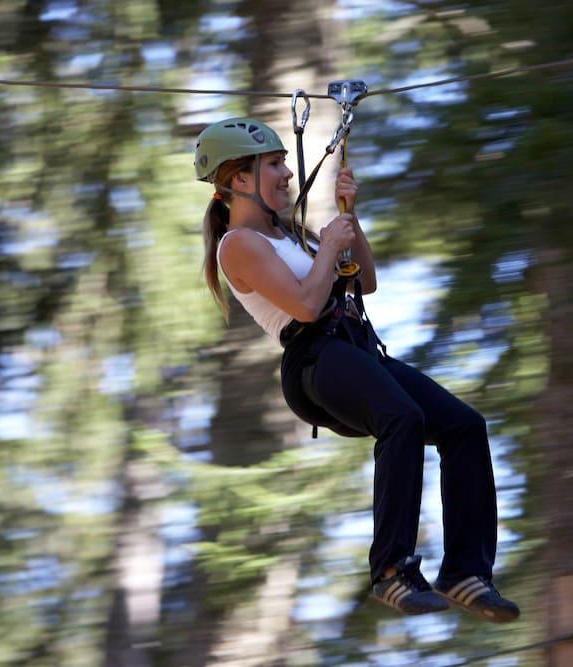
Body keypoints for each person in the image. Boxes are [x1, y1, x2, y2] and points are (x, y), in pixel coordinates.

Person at [196, 117, 519, 622]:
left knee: (464, 426)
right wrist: (326, 247)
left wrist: (351, 218)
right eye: (274, 165)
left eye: (284, 163)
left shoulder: (289, 237)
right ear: (239, 180)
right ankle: (391, 571)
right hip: (315, 360)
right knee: (402, 418)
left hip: (355, 350)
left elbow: (364, 282)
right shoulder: (238, 244)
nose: (286, 174)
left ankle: (464, 570)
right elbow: (305, 307)